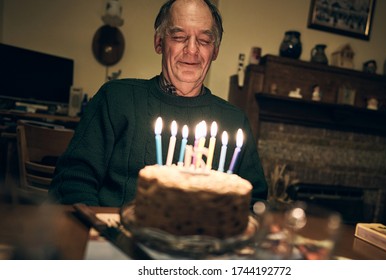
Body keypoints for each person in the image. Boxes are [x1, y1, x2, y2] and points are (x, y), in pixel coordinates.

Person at [49, 0, 267, 207]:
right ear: (159, 42)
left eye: (204, 40)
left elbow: (255, 203)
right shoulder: (115, 99)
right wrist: (102, 233)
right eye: (179, 36)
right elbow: (72, 181)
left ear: (215, 50)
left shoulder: (234, 121)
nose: (192, 50)